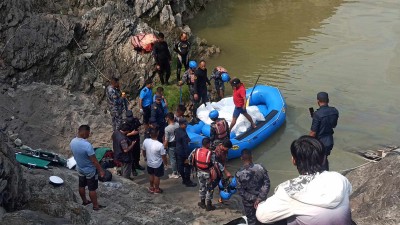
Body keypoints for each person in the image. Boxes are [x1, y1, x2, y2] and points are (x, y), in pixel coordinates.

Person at [256, 136, 352, 225]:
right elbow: (349, 192)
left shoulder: (289, 191)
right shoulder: (339, 178)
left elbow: (262, 216)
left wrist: (260, 204)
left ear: (293, 160)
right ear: (323, 159)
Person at [70, 125, 105, 211]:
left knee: (81, 185)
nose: (89, 135)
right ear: (85, 132)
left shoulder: (72, 141)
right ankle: (95, 206)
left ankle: (85, 201)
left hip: (80, 168)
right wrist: (101, 170)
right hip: (89, 170)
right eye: (89, 133)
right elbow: (94, 161)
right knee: (92, 189)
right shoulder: (87, 145)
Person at [189, 138, 229, 211]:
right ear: (207, 144)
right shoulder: (211, 153)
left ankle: (202, 203)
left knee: (202, 187)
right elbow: (217, 163)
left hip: (199, 172)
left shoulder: (195, 150)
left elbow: (190, 159)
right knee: (209, 188)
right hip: (208, 174)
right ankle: (209, 205)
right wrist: (225, 171)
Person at [236, 150, 270, 225]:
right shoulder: (260, 168)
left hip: (248, 203)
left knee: (251, 220)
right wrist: (259, 198)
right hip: (261, 201)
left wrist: (253, 198)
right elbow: (267, 184)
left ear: (241, 158)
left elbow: (240, 191)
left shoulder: (239, 173)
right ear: (252, 157)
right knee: (263, 219)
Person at [309, 92, 339, 171]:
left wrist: (307, 142)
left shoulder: (317, 114)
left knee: (316, 162)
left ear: (318, 101)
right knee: (324, 159)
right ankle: (326, 174)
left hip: (319, 142)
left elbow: (313, 132)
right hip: (329, 141)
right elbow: (333, 125)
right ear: (328, 100)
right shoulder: (335, 111)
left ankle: (321, 178)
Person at [142, 128, 168, 194]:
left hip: (149, 163)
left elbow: (143, 150)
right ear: (158, 134)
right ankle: (156, 189)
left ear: (150, 134)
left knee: (151, 175)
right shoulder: (160, 145)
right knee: (157, 176)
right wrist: (165, 163)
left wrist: (145, 156)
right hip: (157, 164)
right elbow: (163, 156)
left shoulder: (146, 141)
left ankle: (151, 187)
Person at [175, 118, 197, 187]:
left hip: (178, 151)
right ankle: (188, 181)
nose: (186, 126)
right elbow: (185, 146)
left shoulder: (177, 130)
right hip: (183, 153)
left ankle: (184, 180)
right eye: (185, 124)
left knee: (180, 166)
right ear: (181, 124)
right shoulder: (183, 134)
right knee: (187, 166)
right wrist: (188, 156)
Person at [124, 110, 145, 176]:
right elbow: (123, 134)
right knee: (131, 155)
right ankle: (133, 169)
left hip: (136, 139)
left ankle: (137, 164)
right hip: (129, 141)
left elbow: (139, 126)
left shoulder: (135, 120)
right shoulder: (124, 123)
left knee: (137, 153)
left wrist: (139, 131)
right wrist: (131, 133)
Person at [164, 112, 179, 179]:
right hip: (178, 143)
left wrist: (164, 146)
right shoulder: (177, 125)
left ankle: (175, 172)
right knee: (178, 158)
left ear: (168, 118)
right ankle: (179, 171)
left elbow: (167, 139)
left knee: (172, 159)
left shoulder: (167, 128)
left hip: (171, 144)